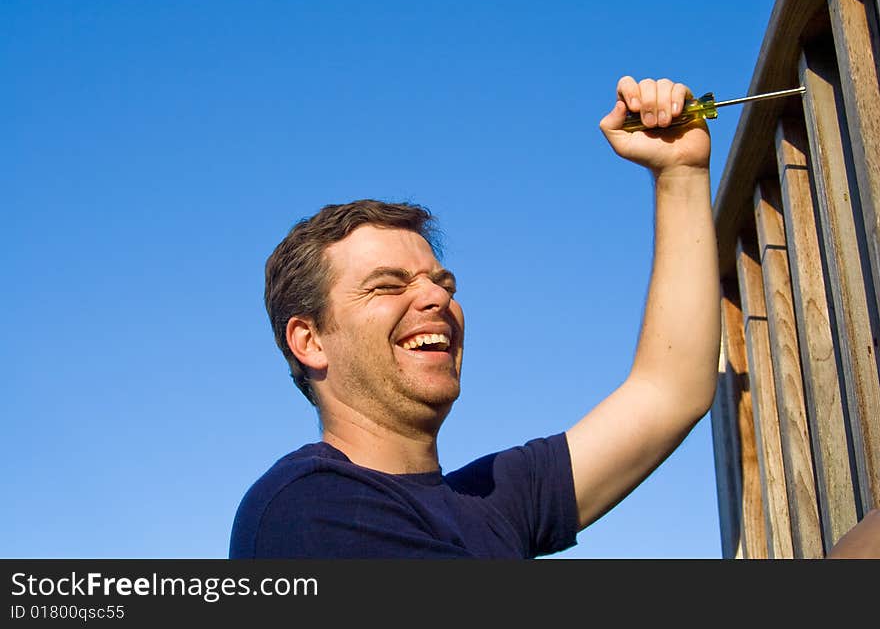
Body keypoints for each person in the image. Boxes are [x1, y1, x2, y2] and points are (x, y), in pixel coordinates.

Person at [229, 76, 878, 559]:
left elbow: (668, 391)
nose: (435, 299)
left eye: (440, 280)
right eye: (388, 285)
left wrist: (681, 173)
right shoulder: (303, 511)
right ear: (309, 339)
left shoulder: (490, 496)